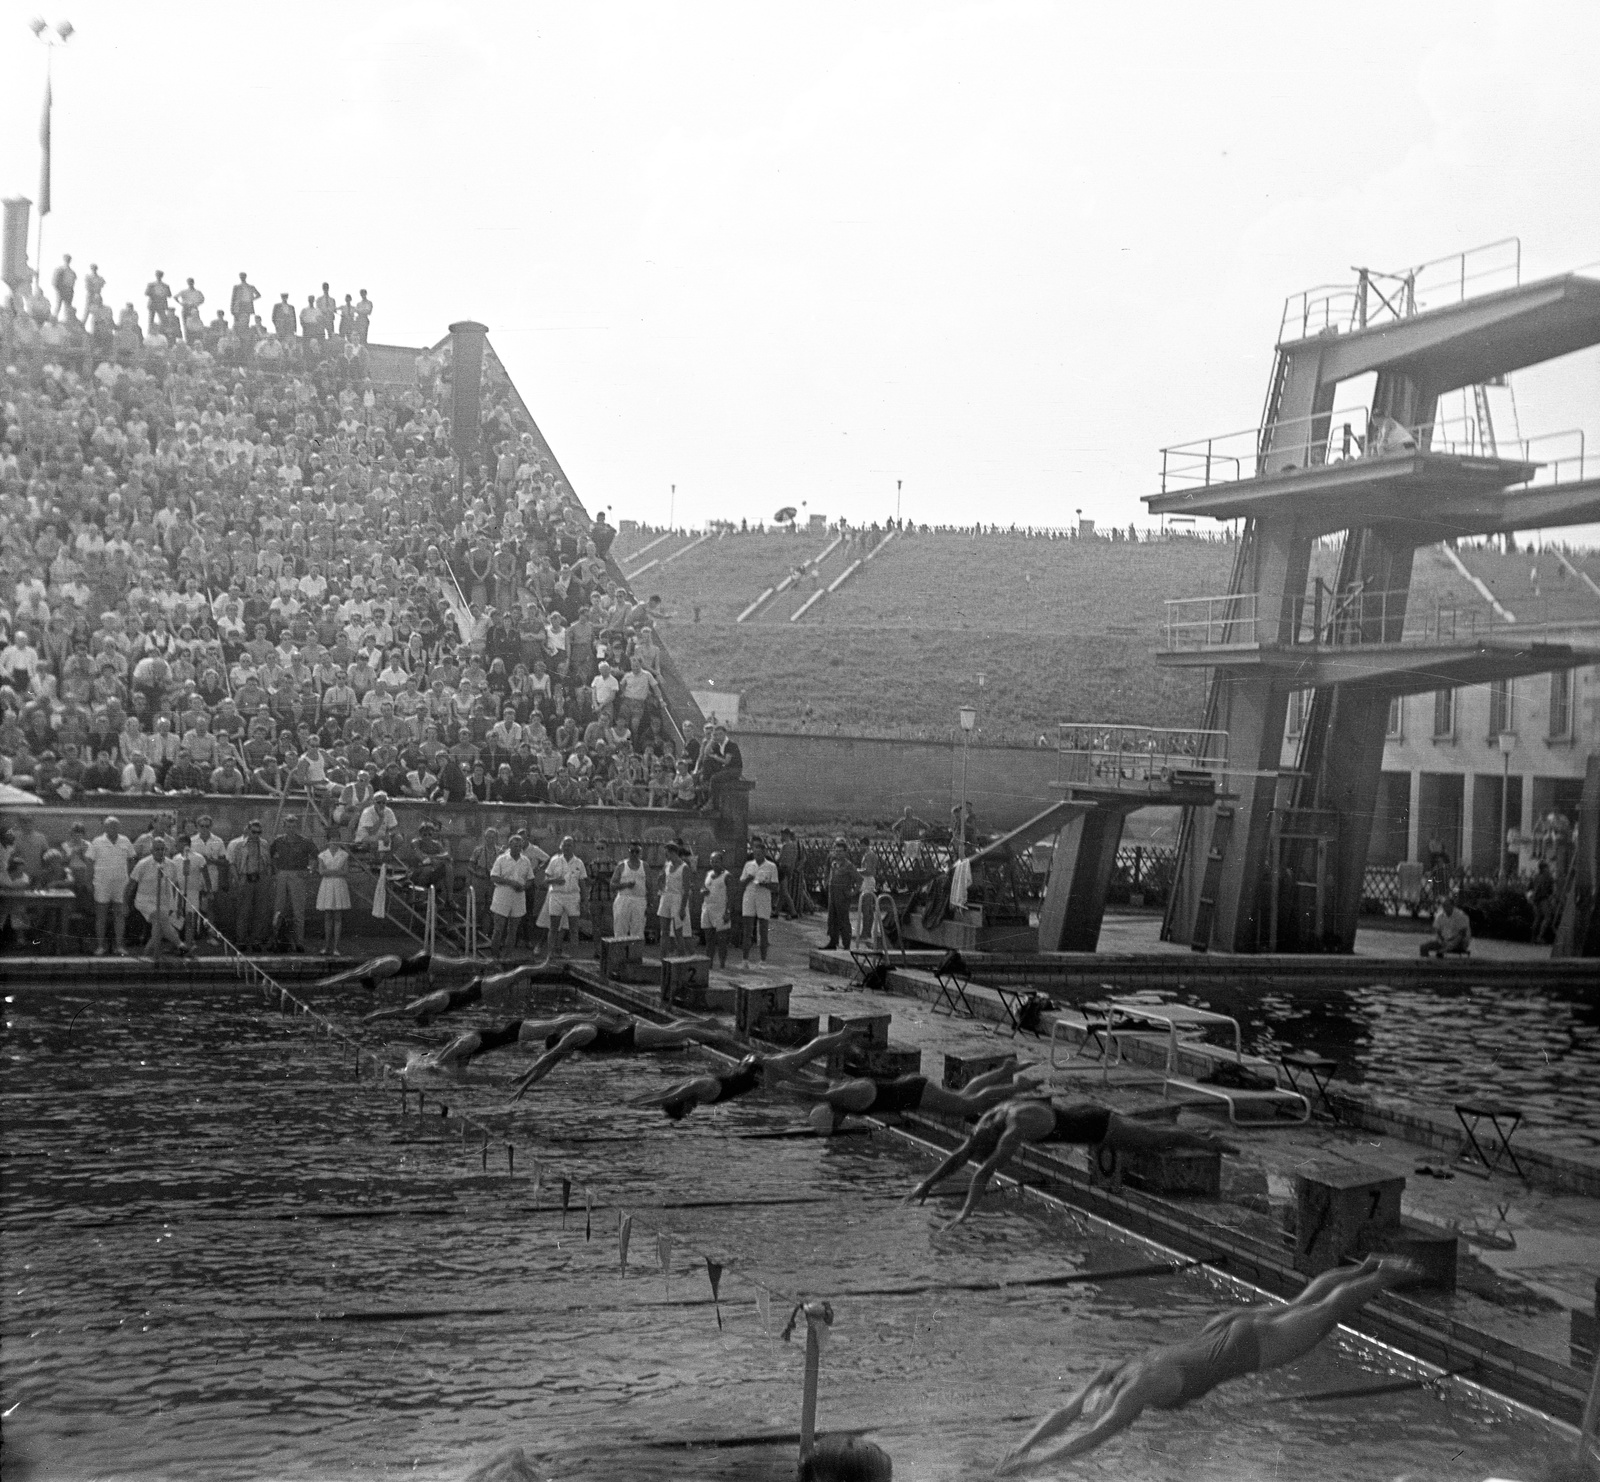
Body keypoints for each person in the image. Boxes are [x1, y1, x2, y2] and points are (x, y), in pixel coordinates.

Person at [994, 1257, 1420, 1472]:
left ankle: (1386, 1275)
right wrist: (1024, 1446)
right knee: (1303, 1303)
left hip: (1248, 1348)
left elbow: (1091, 1436)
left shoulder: (1133, 1393)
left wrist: (1036, 1465)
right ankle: (1364, 1266)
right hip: (1222, 1328)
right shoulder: (1115, 1370)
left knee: (1327, 1312)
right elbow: (1065, 1415)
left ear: (1109, 1402)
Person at [906, 1098, 1238, 1227]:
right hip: (1079, 1113)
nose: (979, 1151)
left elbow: (983, 1172)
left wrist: (965, 1213)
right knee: (1151, 1133)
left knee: (1155, 1138)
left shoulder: (1011, 1131)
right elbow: (960, 1156)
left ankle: (1205, 1141)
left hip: (1096, 1125)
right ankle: (1196, 1135)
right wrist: (928, 1183)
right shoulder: (989, 1123)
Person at [657, 1027, 863, 1121]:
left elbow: (677, 1092)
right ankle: (845, 1043)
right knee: (804, 1056)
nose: (689, 1113)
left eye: (684, 1112)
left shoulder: (702, 1088)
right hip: (753, 1068)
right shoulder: (701, 1092)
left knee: (805, 1054)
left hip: (760, 1068)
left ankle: (843, 1034)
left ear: (682, 1101)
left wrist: (809, 1083)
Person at [507, 1010, 731, 1095]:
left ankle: (719, 1036)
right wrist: (527, 1086)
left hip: (631, 1035)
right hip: (629, 1039)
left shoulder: (578, 1033)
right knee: (672, 1029)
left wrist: (526, 1075)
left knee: (676, 1033)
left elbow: (549, 1056)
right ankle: (706, 1021)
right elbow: (551, 1062)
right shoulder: (573, 1041)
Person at [807, 1057, 1040, 1136]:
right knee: (964, 1095)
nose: (838, 1126)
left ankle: (1018, 1087)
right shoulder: (848, 1102)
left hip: (917, 1094)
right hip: (914, 1089)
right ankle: (1005, 1071)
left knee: (968, 1106)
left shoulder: (851, 1100)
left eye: (834, 1125)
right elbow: (891, 1115)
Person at [363, 964, 536, 1025]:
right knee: (511, 980)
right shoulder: (433, 1009)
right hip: (473, 990)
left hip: (475, 989)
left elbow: (399, 1011)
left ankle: (543, 966)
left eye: (431, 1021)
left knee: (514, 976)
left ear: (427, 1016)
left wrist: (374, 1016)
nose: (434, 1021)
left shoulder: (424, 1006)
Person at [126, 835, 187, 958]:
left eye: (162, 849)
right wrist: (125, 904)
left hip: (163, 901)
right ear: (151, 850)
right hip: (144, 900)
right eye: (157, 849)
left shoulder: (171, 865)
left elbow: (177, 887)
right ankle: (180, 944)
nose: (160, 852)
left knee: (158, 927)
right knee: (160, 918)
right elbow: (130, 885)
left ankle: (146, 954)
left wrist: (178, 906)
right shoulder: (142, 864)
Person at [87, 815, 137, 956]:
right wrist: (89, 882)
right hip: (101, 883)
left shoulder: (125, 840)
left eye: (116, 826)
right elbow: (89, 862)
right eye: (110, 826)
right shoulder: (97, 842)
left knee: (120, 915)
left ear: (119, 827)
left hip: (121, 884)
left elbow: (132, 858)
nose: (113, 828)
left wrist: (129, 875)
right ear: (105, 827)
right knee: (101, 915)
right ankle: (100, 946)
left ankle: (119, 946)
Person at [269, 815, 318, 952]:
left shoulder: (305, 841)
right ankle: (276, 940)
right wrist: (276, 871)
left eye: (293, 826)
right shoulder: (278, 841)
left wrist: (309, 870)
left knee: (298, 910)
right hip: (282, 873)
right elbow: (271, 856)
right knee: (278, 909)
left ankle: (299, 942)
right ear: (284, 827)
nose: (291, 829)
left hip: (298, 875)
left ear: (297, 827)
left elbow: (315, 856)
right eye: (288, 826)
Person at [226, 818, 275, 951]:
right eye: (254, 832)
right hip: (245, 878)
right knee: (243, 910)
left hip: (261, 878)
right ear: (248, 830)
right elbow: (232, 864)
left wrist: (268, 879)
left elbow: (269, 863)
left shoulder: (264, 844)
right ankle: (241, 940)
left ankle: (256, 940)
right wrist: (237, 880)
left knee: (260, 911)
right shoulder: (238, 844)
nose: (256, 835)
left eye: (259, 832)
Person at [488, 833, 539, 958]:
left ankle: (507, 956)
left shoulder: (526, 861)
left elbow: (531, 879)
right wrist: (511, 883)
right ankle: (494, 957)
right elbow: (493, 877)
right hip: (502, 896)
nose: (517, 848)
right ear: (509, 845)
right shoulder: (501, 859)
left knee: (513, 930)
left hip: (518, 897)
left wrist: (524, 886)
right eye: (515, 845)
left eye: (519, 845)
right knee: (498, 929)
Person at [538, 836, 587, 958]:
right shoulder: (555, 860)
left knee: (574, 928)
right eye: (565, 845)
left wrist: (585, 900)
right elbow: (545, 880)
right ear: (561, 846)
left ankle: (574, 957)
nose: (567, 847)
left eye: (569, 845)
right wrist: (555, 880)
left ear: (573, 847)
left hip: (573, 897)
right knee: (553, 927)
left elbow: (582, 883)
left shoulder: (579, 863)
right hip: (557, 896)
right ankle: (550, 956)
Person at [739, 836, 779, 963]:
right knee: (747, 931)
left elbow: (776, 887)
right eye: (755, 854)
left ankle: (763, 960)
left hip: (763, 898)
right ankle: (745, 960)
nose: (757, 856)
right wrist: (749, 879)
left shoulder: (771, 866)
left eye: (759, 854)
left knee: (763, 931)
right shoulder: (748, 865)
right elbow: (741, 884)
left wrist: (764, 884)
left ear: (764, 853)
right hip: (749, 897)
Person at [316, 826, 352, 956]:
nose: (335, 842)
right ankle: (326, 947)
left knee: (337, 917)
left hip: (339, 886)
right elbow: (321, 871)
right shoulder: (322, 855)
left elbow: (345, 872)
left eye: (337, 839)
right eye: (332, 839)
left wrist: (329, 872)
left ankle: (336, 948)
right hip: (327, 886)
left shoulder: (344, 854)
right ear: (328, 840)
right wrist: (336, 871)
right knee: (327, 916)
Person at [823, 837, 858, 951]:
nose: (838, 853)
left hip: (843, 896)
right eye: (836, 851)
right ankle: (833, 942)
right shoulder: (833, 863)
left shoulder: (849, 865)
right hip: (832, 894)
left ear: (845, 852)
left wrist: (853, 893)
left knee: (843, 920)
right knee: (832, 918)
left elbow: (859, 880)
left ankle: (846, 944)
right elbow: (829, 875)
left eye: (840, 851)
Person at [610, 840, 649, 940]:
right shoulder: (622, 865)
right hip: (623, 899)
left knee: (638, 930)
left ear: (640, 852)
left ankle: (635, 954)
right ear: (628, 851)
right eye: (632, 851)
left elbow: (650, 886)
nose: (634, 854)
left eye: (637, 851)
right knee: (620, 928)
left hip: (639, 900)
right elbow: (612, 885)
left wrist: (650, 903)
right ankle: (619, 953)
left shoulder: (645, 866)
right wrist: (626, 885)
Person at [701, 850, 733, 966]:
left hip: (721, 910)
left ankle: (722, 964)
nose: (714, 863)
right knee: (709, 940)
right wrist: (703, 891)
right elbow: (703, 888)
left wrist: (728, 912)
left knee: (722, 940)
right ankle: (708, 965)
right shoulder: (708, 874)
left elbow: (731, 896)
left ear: (721, 862)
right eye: (712, 861)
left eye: (717, 861)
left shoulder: (727, 876)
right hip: (707, 909)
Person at [657, 843, 690, 953]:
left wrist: (682, 908)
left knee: (678, 932)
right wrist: (662, 889)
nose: (666, 857)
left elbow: (686, 890)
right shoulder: (667, 865)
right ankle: (663, 960)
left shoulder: (684, 867)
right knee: (664, 932)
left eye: (667, 854)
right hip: (666, 897)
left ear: (674, 853)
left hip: (677, 899)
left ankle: (682, 961)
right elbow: (660, 878)